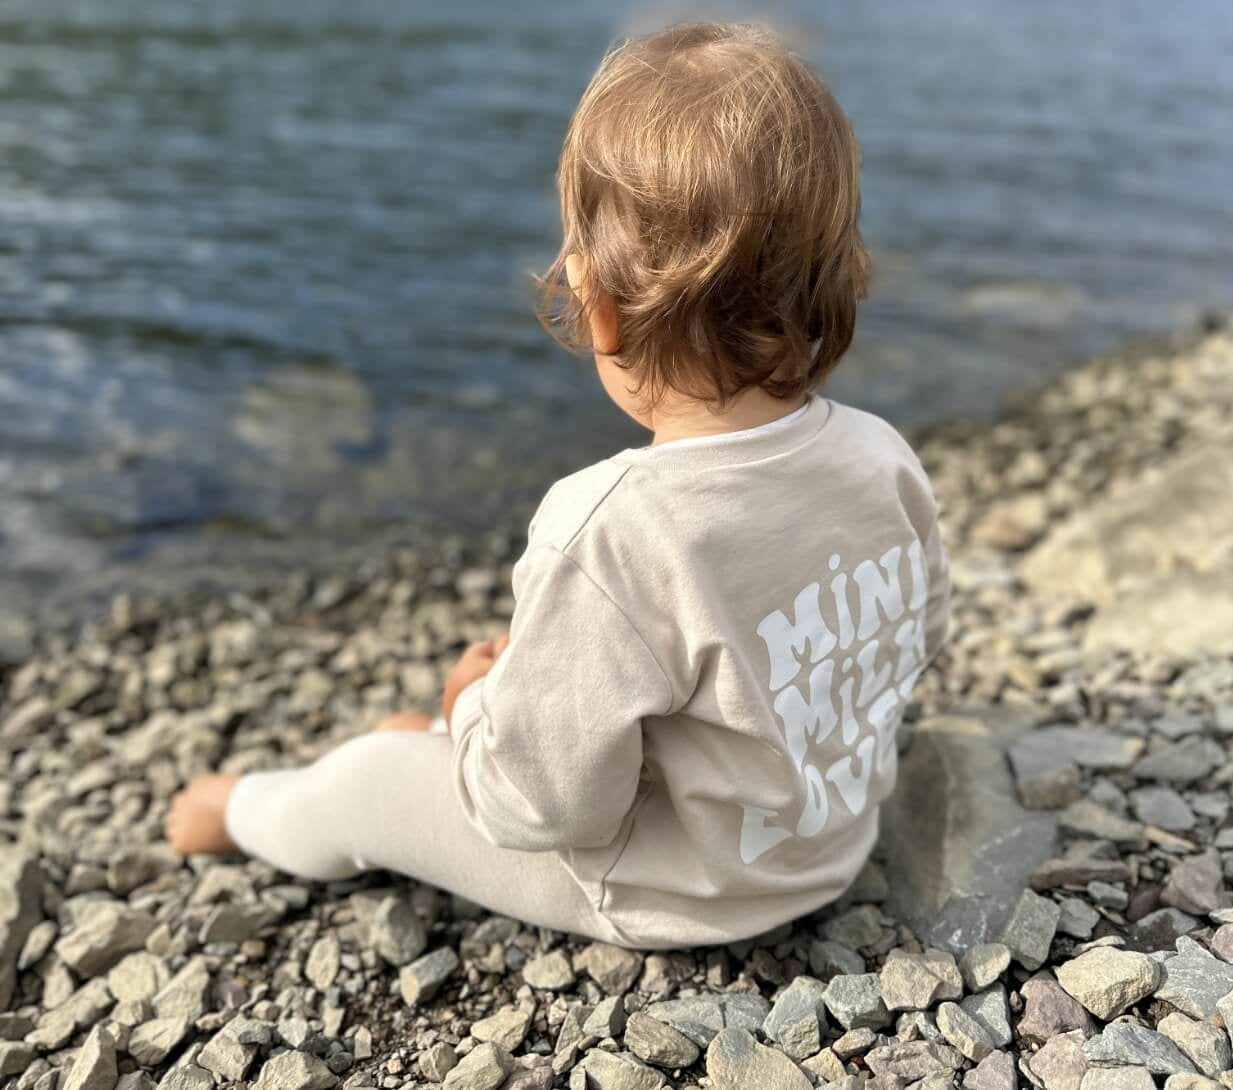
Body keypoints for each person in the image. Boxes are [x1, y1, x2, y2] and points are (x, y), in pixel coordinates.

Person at [166, 21, 950, 950]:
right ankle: (439, 743)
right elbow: (914, 635)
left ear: (598, 308)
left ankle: (232, 811)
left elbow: (541, 808)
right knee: (545, 709)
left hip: (685, 887)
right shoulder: (878, 454)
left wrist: (469, 713)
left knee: (367, 780)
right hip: (827, 840)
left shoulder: (614, 530)